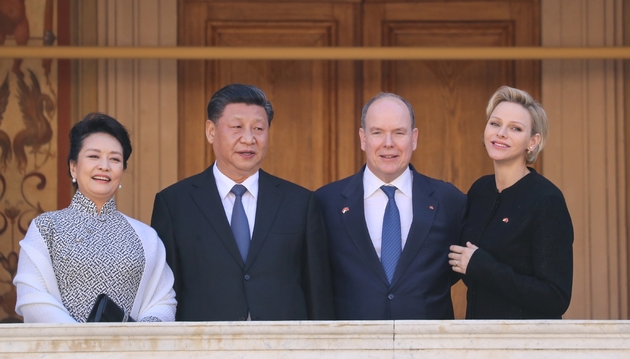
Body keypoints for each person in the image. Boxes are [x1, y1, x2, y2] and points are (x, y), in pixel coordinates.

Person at [151, 83, 334, 321]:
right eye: (236, 127)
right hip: (205, 346)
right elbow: (165, 293)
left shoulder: (300, 202)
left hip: (282, 346)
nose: (248, 139)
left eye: (258, 128)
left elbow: (317, 291)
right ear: (211, 131)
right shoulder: (175, 203)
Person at [315, 92, 466, 320]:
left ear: (414, 138)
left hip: (428, 346)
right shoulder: (326, 202)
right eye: (377, 133)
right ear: (363, 138)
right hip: (352, 347)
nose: (389, 143)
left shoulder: (449, 200)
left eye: (399, 132)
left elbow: (461, 269)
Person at [14, 113, 176, 323]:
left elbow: (163, 301)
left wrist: (136, 340)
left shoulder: (146, 237)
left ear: (122, 171)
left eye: (115, 159)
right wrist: (82, 345)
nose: (104, 166)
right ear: (73, 166)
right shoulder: (46, 228)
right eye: (93, 156)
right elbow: (32, 297)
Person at [449, 86, 573, 319]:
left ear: (533, 142)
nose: (501, 133)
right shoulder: (480, 191)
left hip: (526, 346)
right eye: (495, 123)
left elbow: (556, 297)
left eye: (515, 128)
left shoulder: (546, 201)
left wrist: (485, 268)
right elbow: (462, 261)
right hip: (479, 342)